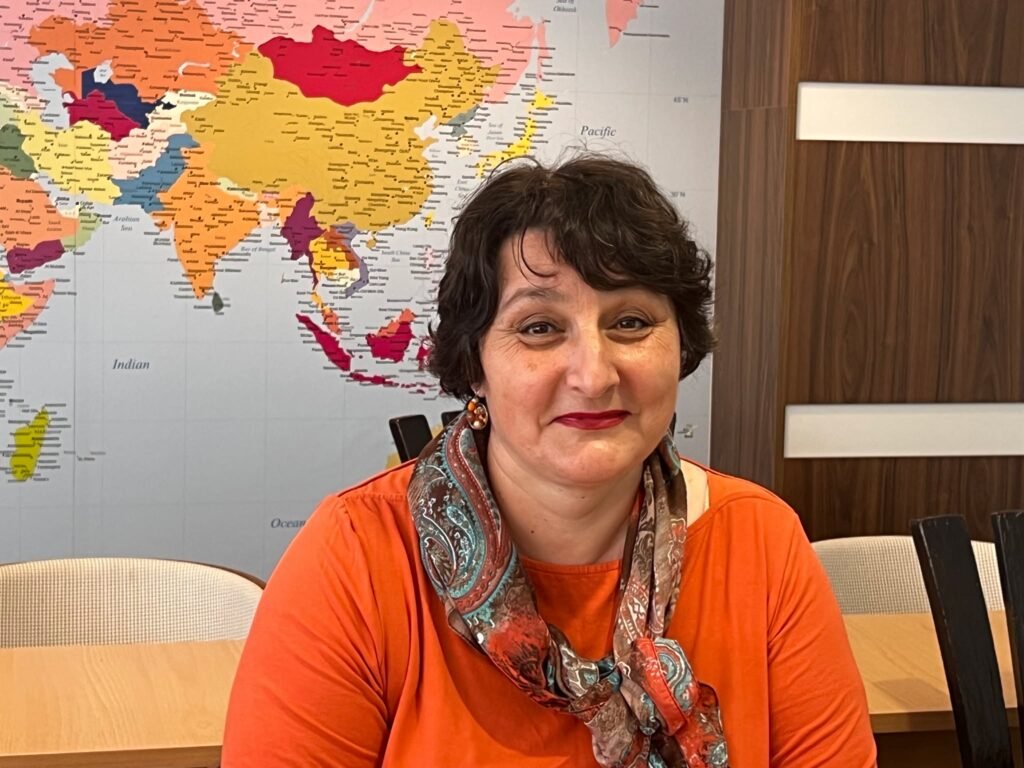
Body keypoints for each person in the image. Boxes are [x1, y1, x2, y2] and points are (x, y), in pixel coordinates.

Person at [221, 155, 876, 767]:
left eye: (630, 323)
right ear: (475, 364)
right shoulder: (356, 556)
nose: (594, 375)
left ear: (680, 346)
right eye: (539, 327)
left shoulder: (760, 541)